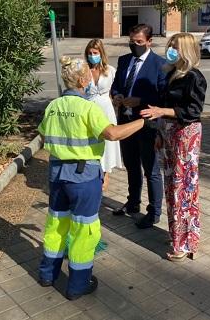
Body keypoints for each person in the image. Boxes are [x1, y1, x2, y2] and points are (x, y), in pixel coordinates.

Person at [38, 56, 148, 300]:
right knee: (83, 231)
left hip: (57, 175)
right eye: (88, 75)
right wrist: (142, 122)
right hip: (83, 178)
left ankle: (47, 274)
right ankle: (78, 284)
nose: (90, 79)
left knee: (56, 225)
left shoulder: (53, 106)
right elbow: (112, 133)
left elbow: (45, 136)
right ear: (81, 80)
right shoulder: (89, 108)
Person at [140, 33, 207, 261]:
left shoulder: (194, 77)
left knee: (184, 187)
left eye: (175, 46)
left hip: (185, 135)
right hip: (169, 134)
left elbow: (193, 111)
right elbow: (166, 105)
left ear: (186, 50)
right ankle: (178, 234)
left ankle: (185, 243)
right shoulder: (171, 74)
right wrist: (160, 131)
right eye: (170, 45)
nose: (170, 49)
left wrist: (161, 112)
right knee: (172, 187)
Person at [110, 24, 168, 229]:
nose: (134, 45)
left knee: (150, 170)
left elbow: (163, 96)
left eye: (139, 42)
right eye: (131, 41)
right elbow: (116, 84)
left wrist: (141, 100)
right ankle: (133, 203)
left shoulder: (160, 64)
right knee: (131, 166)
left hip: (147, 124)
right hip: (126, 122)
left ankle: (154, 212)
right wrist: (116, 95)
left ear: (149, 42)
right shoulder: (124, 60)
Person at [85, 39, 122, 191]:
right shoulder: (83, 70)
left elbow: (116, 90)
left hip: (106, 109)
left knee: (107, 140)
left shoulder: (110, 70)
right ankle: (92, 169)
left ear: (101, 53)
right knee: (90, 140)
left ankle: (106, 172)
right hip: (88, 109)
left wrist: (118, 99)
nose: (92, 56)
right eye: (89, 53)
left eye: (95, 53)